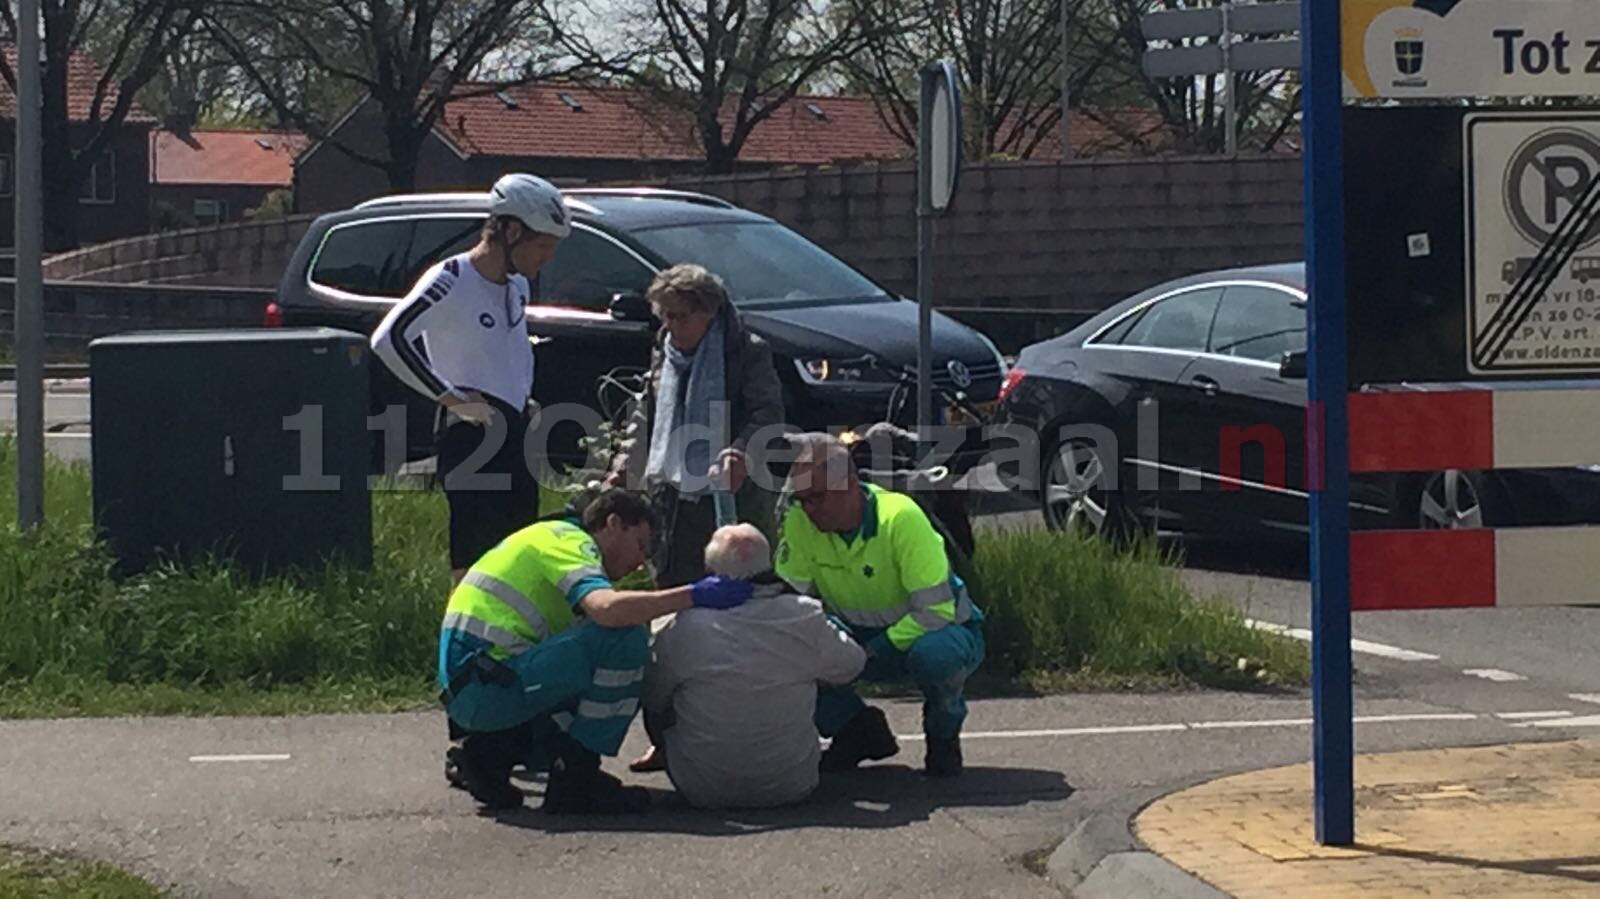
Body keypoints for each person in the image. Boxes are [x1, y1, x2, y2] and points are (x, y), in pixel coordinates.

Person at [437, 488, 755, 813]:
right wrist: (694, 595)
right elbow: (608, 610)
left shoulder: (544, 539)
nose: (640, 564)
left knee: (587, 665)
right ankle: (577, 779)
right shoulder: (570, 541)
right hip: (489, 683)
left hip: (479, 684)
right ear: (613, 523)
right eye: (640, 545)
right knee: (624, 636)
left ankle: (488, 754)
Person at [371, 172, 570, 588]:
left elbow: (503, 347)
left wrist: (524, 397)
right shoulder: (450, 278)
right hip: (471, 434)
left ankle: (510, 643)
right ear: (510, 230)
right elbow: (388, 339)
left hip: (514, 429)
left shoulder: (516, 284)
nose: (547, 257)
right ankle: (464, 640)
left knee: (517, 551)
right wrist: (451, 398)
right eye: (542, 245)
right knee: (475, 557)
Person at [774, 433, 985, 778]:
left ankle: (943, 736)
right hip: (859, 638)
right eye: (801, 500)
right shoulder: (799, 521)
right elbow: (786, 603)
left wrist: (877, 649)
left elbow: (936, 612)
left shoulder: (901, 518)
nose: (809, 509)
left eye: (817, 497)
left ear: (850, 485)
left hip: (937, 632)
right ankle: (856, 729)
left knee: (937, 656)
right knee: (789, 648)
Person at [641, 524, 866, 809]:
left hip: (701, 789)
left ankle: (667, 752)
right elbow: (853, 665)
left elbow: (651, 693)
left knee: (667, 684)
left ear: (711, 570)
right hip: (793, 784)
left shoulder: (688, 625)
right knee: (812, 670)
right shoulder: (805, 615)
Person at [605, 263, 785, 587]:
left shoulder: (746, 352)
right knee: (674, 580)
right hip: (671, 496)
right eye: (666, 317)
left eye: (682, 317)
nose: (672, 326)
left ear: (710, 313)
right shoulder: (665, 349)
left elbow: (767, 413)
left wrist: (740, 453)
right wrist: (625, 464)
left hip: (729, 491)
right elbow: (648, 411)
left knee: (733, 581)